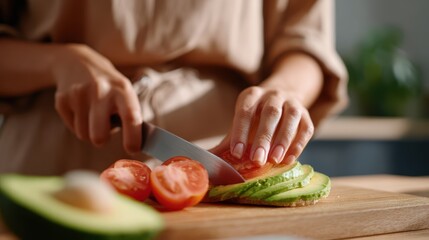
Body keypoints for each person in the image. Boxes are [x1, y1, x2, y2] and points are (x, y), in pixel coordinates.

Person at [0, 0, 347, 175]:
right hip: (50, 167)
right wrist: (58, 62)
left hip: (216, 162)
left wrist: (285, 89)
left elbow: (305, 43)